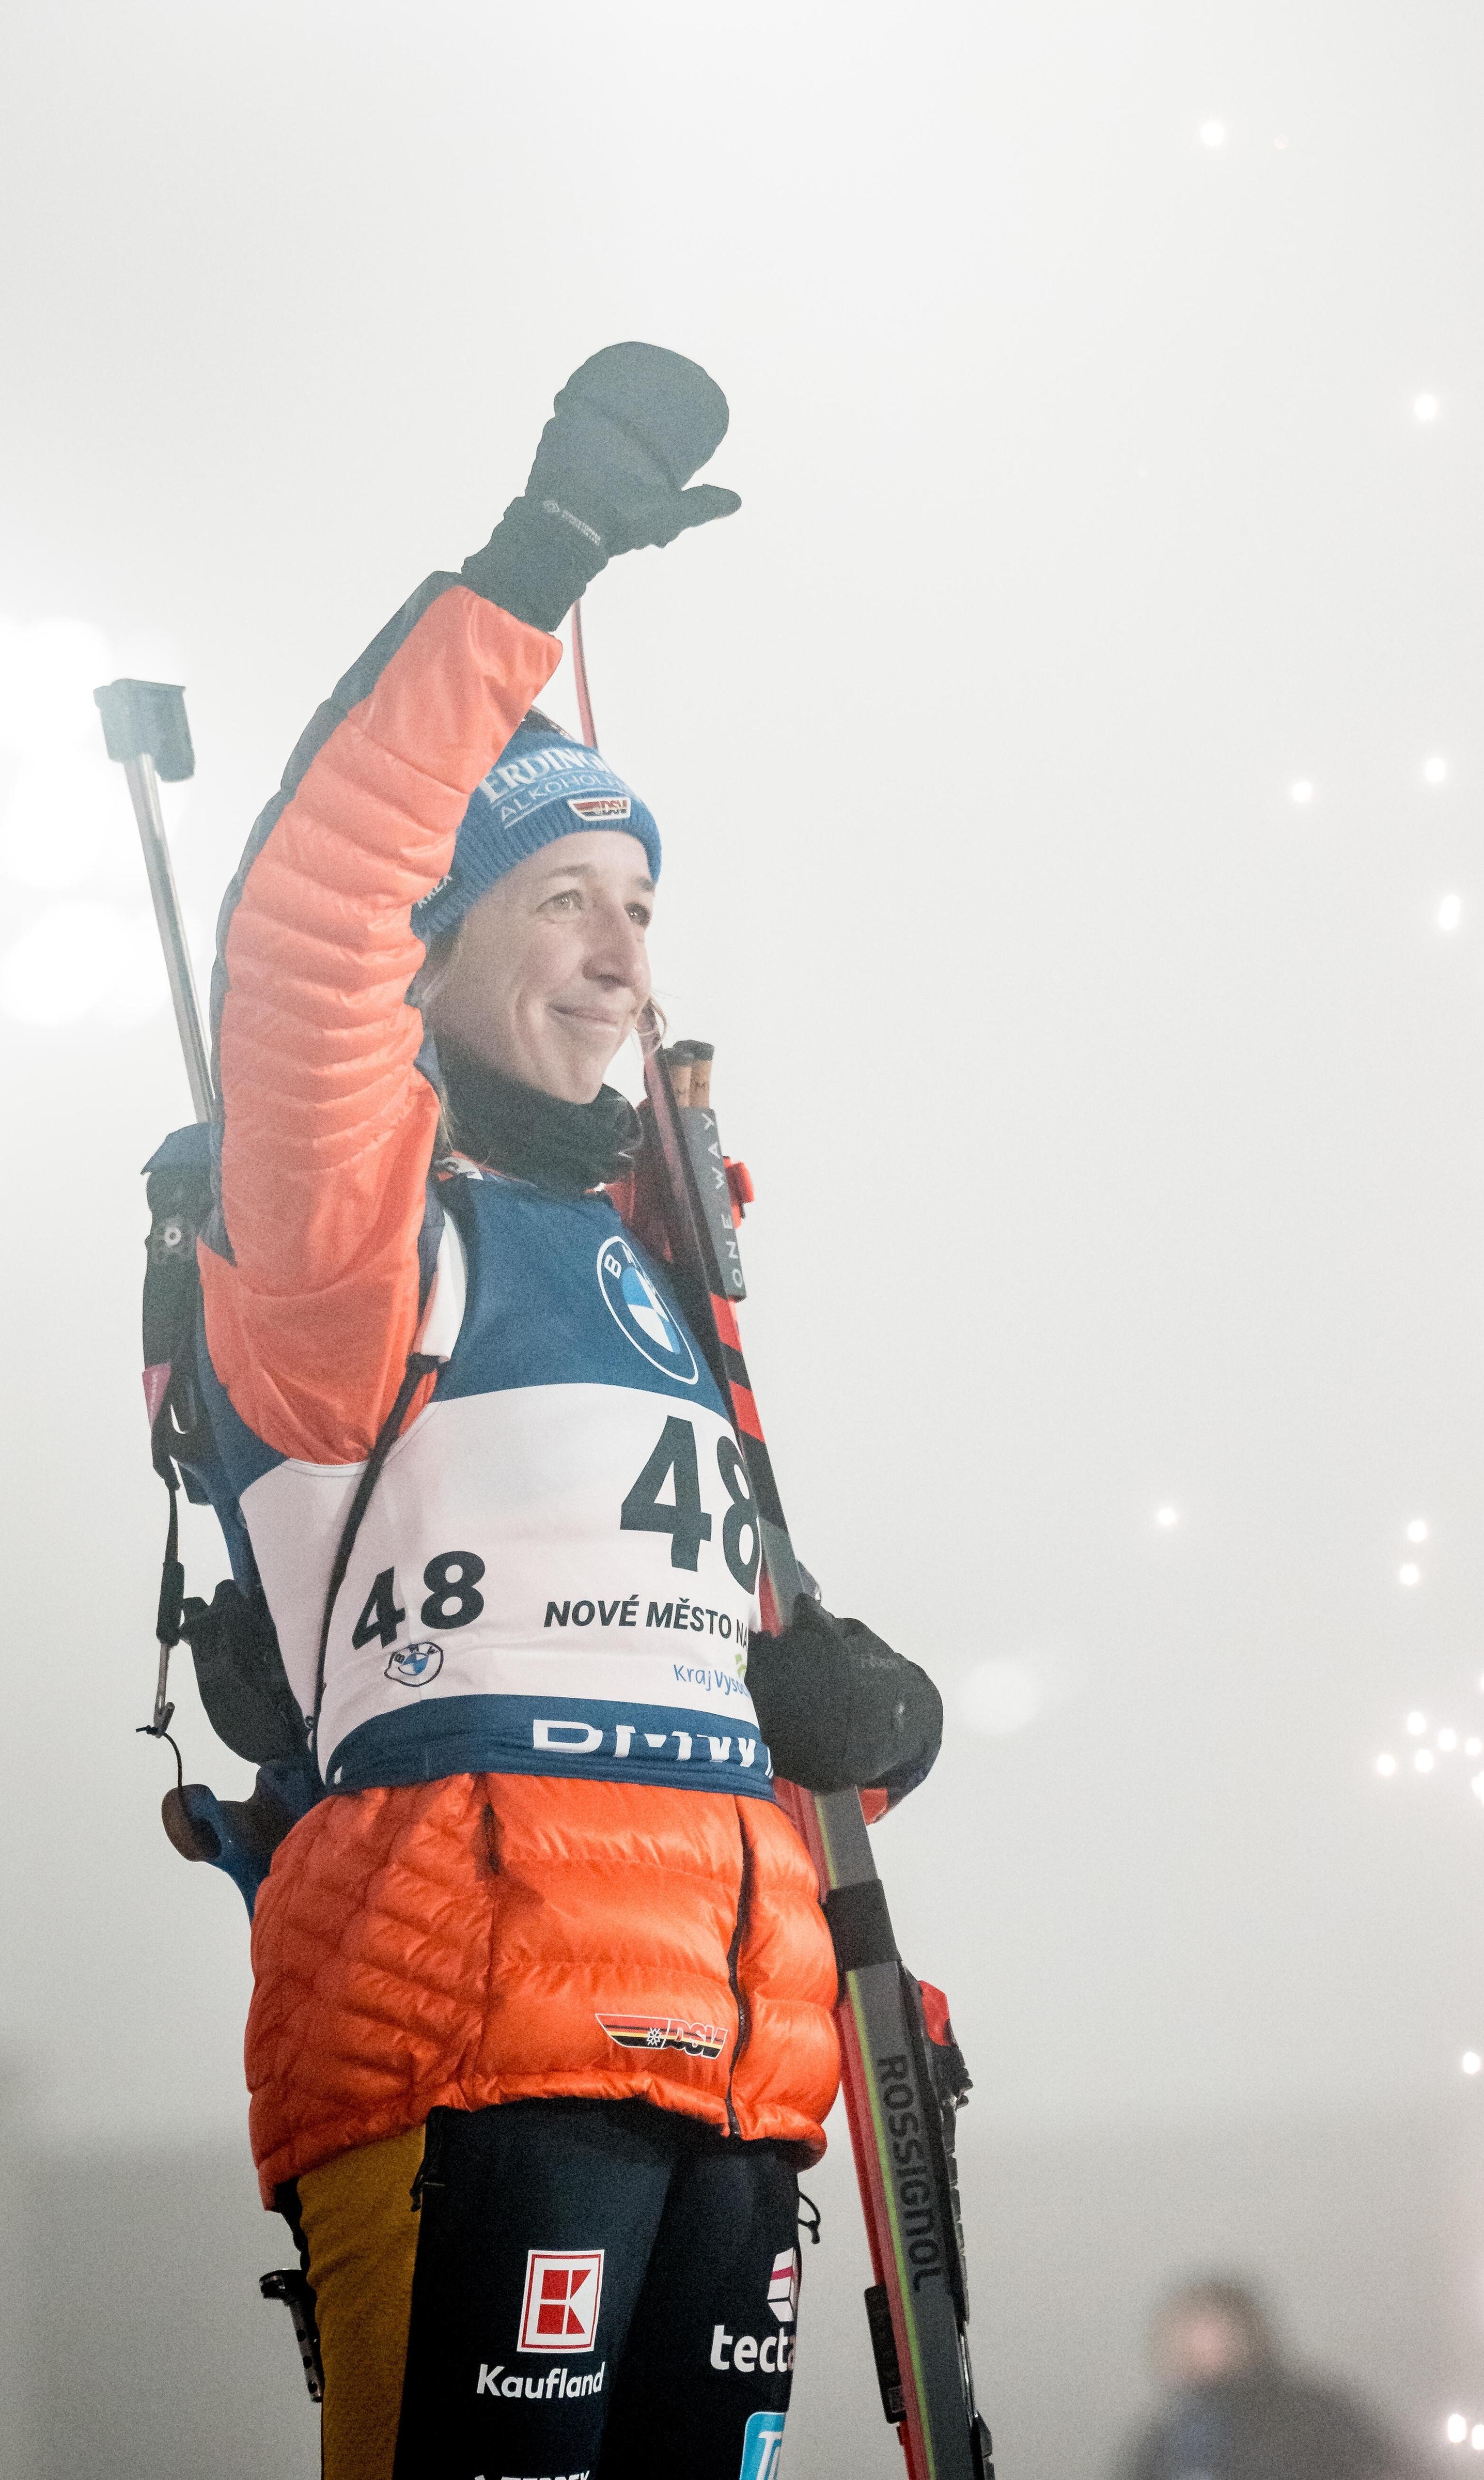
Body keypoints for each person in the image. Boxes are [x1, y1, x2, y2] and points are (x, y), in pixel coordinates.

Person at [189, 343, 942, 2478]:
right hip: (470, 2043)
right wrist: (536, 569)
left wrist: (831, 1677)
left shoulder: (662, 1260)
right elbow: (316, 915)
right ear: (441, 952)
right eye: (560, 902)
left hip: (735, 2058)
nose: (624, 956)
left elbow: (680, 1593)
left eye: (643, 908)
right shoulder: (352, 1234)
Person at [1120, 2276, 1428, 2480]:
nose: (1192, 2344)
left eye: (1208, 2329)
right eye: (1184, 2332)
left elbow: (1390, 2467)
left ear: (1245, 2331)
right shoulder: (1163, 2438)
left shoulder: (1313, 2413)